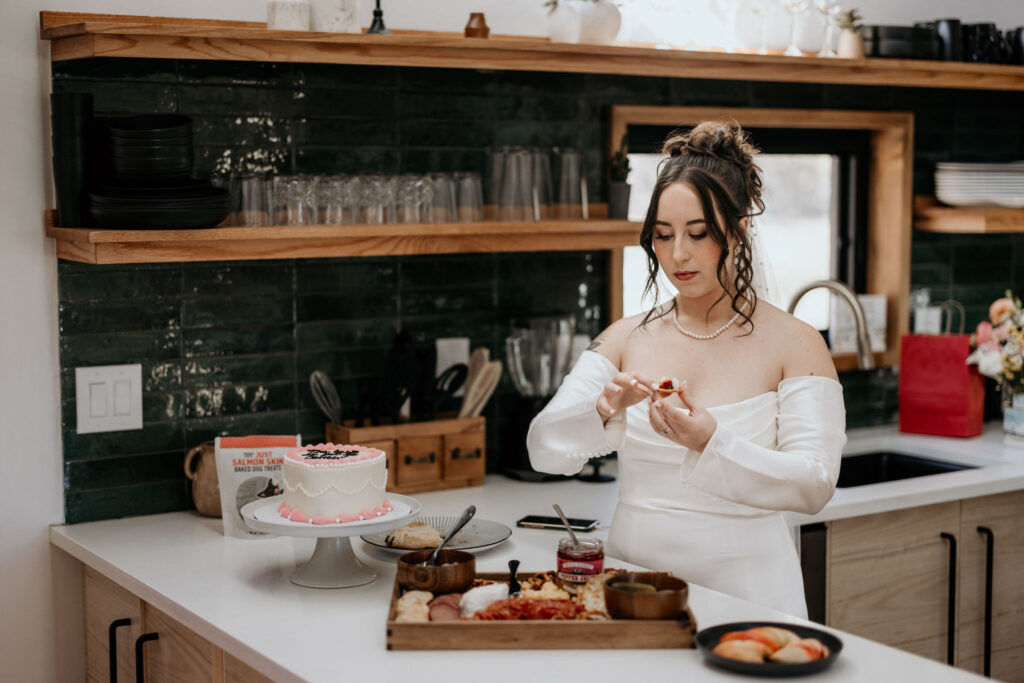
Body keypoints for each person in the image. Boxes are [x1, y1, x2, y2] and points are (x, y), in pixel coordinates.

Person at [527, 121, 846, 618]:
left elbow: (815, 484)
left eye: (698, 234)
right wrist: (603, 406)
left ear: (738, 232)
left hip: (751, 594)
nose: (678, 254)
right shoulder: (624, 338)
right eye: (662, 235)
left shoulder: (796, 343)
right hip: (633, 587)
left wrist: (710, 443)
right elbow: (543, 448)